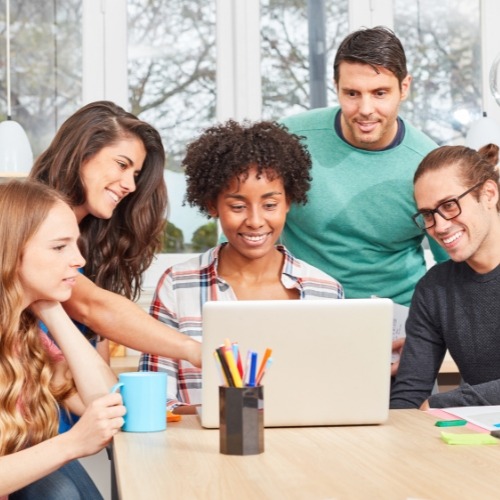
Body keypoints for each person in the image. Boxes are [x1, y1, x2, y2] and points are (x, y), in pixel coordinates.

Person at [139, 119, 344, 413]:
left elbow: (335, 395)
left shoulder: (324, 290)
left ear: (289, 202)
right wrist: (231, 414)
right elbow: (156, 398)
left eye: (270, 205)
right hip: (202, 452)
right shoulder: (178, 284)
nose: (256, 221)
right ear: (212, 205)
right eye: (237, 207)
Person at [279, 26, 449, 373]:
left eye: (380, 92)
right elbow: (240, 231)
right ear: (336, 88)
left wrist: (425, 341)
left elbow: (455, 269)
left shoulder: (430, 164)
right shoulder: (289, 140)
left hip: (399, 335)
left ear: (405, 88)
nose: (365, 109)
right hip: (301, 322)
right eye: (352, 93)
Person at [29, 101, 201, 369]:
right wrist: (192, 350)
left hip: (81, 410)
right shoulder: (28, 224)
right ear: (82, 153)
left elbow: (99, 355)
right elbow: (93, 308)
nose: (130, 186)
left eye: (135, 174)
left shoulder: (93, 246)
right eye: (122, 164)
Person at [0, 180, 126, 499]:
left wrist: (53, 310)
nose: (79, 260)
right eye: (59, 247)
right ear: (10, 253)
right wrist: (71, 443)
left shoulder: (24, 331)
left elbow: (102, 402)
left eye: (76, 244)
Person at [390, 144, 500, 409]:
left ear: (488, 194)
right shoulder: (434, 289)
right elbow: (410, 393)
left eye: (449, 205)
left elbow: (430, 404)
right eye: (428, 214)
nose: (439, 226)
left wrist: (447, 402)